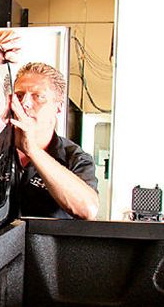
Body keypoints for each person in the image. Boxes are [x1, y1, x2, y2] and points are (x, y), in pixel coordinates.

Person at [11, 62, 99, 219]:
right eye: (19, 96)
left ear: (58, 107)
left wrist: (32, 150)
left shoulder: (75, 159)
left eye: (38, 96)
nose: (25, 103)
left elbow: (88, 210)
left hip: (41, 243)